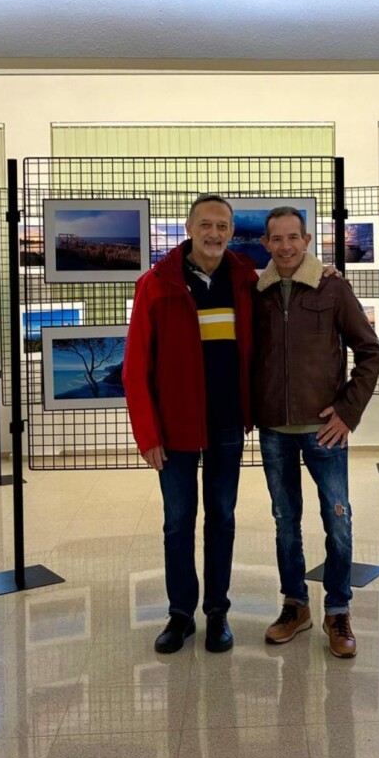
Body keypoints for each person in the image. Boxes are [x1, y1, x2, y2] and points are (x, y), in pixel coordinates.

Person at [123, 194, 256, 654]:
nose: (214, 234)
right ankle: (181, 614)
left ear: (231, 232)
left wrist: (326, 271)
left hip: (226, 425)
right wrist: (147, 434)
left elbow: (293, 284)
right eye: (206, 225)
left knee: (221, 518)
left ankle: (217, 611)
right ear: (189, 228)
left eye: (222, 226)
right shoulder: (156, 285)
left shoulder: (245, 280)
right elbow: (135, 368)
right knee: (177, 523)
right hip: (175, 428)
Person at [253, 206, 379, 658]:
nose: (285, 246)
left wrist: (347, 411)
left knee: (338, 520)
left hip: (325, 431)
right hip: (274, 431)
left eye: (293, 237)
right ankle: (295, 606)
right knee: (285, 522)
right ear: (266, 244)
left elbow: (370, 351)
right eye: (276, 239)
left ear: (307, 240)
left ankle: (338, 610)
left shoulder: (332, 287)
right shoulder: (258, 291)